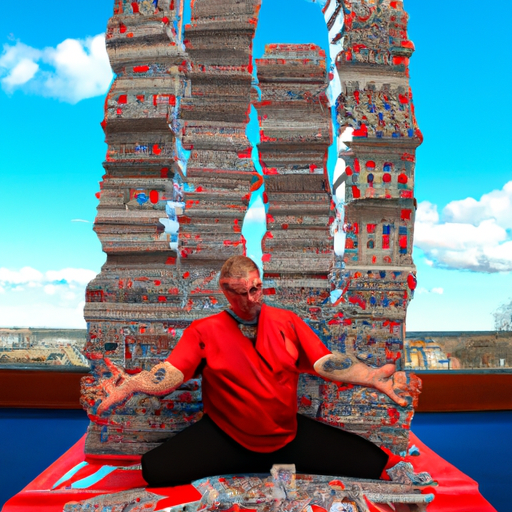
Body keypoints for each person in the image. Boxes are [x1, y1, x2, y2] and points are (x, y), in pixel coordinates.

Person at [94, 256, 412, 487]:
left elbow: (325, 362)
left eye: (256, 289)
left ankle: (276, 462)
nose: (250, 300)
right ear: (225, 291)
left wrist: (369, 376)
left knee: (373, 464)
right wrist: (136, 383)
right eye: (240, 292)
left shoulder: (287, 322)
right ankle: (256, 464)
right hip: (226, 437)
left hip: (287, 437)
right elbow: (172, 371)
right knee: (155, 471)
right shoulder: (204, 330)